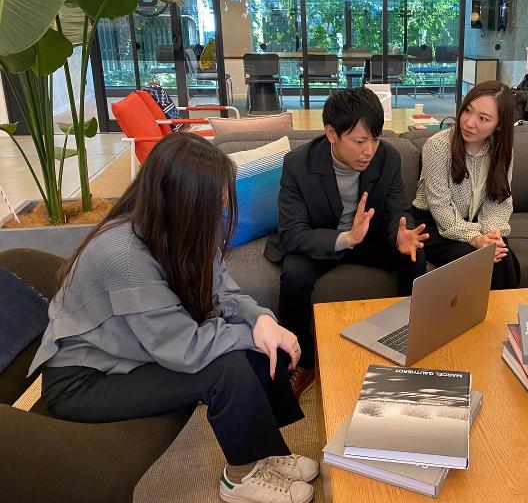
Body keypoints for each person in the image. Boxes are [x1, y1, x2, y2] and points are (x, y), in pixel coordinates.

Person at [28, 132, 317, 503]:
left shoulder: (186, 225)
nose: (225, 203)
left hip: (137, 349)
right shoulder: (124, 255)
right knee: (226, 366)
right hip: (87, 380)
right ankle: (241, 477)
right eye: (218, 195)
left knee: (256, 335)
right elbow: (184, 350)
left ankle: (264, 452)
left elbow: (223, 290)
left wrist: (261, 320)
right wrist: (255, 335)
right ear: (184, 198)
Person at [265, 88, 428, 396]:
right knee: (294, 275)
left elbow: (397, 209)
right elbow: (293, 232)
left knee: (414, 256)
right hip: (321, 237)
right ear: (331, 134)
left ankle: (405, 340)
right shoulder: (298, 164)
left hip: (368, 238)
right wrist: (345, 238)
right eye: (359, 141)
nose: (369, 151)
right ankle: (302, 362)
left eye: (375, 139)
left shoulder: (388, 158)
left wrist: (400, 234)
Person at [412, 80, 520, 289]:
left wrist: (491, 235)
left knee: (502, 258)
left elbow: (499, 201)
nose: (469, 123)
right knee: (473, 259)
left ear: (499, 124)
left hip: (476, 221)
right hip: (433, 223)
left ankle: (504, 310)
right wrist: (476, 238)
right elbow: (440, 208)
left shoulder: (502, 151)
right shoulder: (438, 146)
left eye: (483, 118)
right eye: (467, 111)